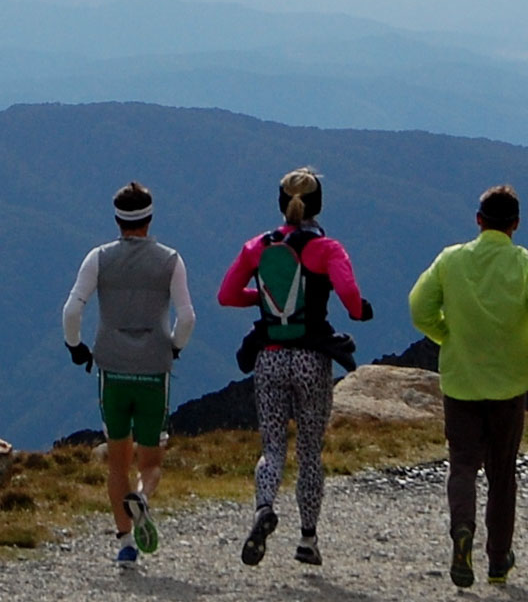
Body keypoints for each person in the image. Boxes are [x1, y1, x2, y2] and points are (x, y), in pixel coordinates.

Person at [407, 184, 528, 588]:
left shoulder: (450, 260)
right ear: (515, 224)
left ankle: (461, 531)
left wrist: (446, 336)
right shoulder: (527, 263)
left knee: (462, 463)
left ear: (478, 221)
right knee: (502, 472)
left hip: (461, 379)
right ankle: (498, 560)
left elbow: (419, 306)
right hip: (509, 383)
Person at [217, 167, 372, 567]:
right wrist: (360, 312)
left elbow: (227, 295)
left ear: (280, 203)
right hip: (311, 359)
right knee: (309, 452)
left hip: (268, 356)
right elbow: (351, 298)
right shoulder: (329, 249)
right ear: (318, 205)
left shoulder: (258, 247)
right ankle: (307, 539)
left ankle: (264, 507)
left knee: (271, 449)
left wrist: (265, 297)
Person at [62, 181, 195, 567]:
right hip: (154, 368)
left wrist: (77, 348)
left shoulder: (98, 258)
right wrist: (174, 346)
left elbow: (72, 311)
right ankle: (144, 496)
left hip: (111, 368)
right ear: (150, 218)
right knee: (151, 460)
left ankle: (125, 543)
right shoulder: (171, 260)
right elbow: (187, 317)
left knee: (116, 459)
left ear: (117, 218)